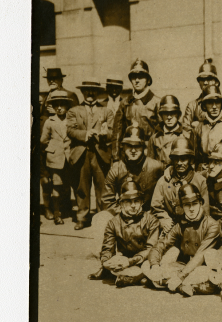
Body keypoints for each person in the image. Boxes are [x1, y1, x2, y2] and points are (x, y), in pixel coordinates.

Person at [144, 184, 222, 297]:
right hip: (184, 267)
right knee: (148, 265)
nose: (191, 209)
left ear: (200, 203)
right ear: (182, 206)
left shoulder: (212, 225)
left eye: (194, 204)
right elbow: (161, 244)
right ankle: (180, 286)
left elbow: (200, 255)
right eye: (186, 205)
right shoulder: (180, 225)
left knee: (206, 271)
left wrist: (180, 276)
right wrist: (155, 266)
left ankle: (165, 283)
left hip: (203, 267)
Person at [91, 180, 160, 286]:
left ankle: (135, 277)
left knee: (149, 266)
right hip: (124, 259)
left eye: (136, 201)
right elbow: (107, 248)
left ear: (142, 202)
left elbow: (150, 248)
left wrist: (131, 261)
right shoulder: (114, 223)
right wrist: (106, 262)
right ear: (121, 203)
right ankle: (120, 273)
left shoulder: (151, 220)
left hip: (142, 259)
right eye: (128, 201)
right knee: (114, 264)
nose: (133, 206)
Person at [67, 78, 114, 230]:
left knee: (102, 188)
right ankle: (82, 217)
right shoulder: (74, 111)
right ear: (82, 92)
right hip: (82, 153)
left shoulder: (106, 111)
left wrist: (104, 134)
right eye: (87, 90)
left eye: (94, 91)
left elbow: (113, 132)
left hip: (100, 153)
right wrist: (86, 134)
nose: (90, 93)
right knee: (82, 187)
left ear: (98, 93)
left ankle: (102, 218)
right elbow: (70, 130)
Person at [150, 137, 210, 238]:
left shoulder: (200, 181)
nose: (179, 163)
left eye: (183, 159)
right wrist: (165, 220)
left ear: (190, 159)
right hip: (169, 229)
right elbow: (156, 207)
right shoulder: (163, 181)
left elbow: (205, 210)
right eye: (176, 159)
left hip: (194, 229)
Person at [102, 126, 165, 213]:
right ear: (123, 147)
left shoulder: (157, 167)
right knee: (99, 218)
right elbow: (107, 201)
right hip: (125, 214)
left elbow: (168, 191)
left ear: (143, 147)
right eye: (129, 146)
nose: (133, 150)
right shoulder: (116, 170)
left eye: (137, 146)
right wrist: (124, 213)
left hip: (149, 215)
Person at [111, 59, 160, 161]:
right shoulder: (125, 103)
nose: (137, 80)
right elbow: (117, 132)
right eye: (134, 77)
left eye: (141, 77)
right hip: (129, 154)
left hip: (150, 154)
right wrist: (116, 157)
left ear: (148, 79)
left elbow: (162, 134)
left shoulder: (157, 102)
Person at [40, 89, 73, 225]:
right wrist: (53, 147)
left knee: (67, 186)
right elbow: (43, 140)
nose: (59, 108)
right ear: (53, 107)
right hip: (55, 159)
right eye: (56, 105)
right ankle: (56, 214)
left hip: (69, 158)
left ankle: (66, 210)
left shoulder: (71, 120)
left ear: (67, 106)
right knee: (56, 186)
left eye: (62, 105)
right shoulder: (50, 122)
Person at [192, 84, 222, 175]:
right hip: (203, 174)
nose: (214, 106)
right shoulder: (198, 128)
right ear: (204, 106)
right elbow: (194, 159)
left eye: (217, 102)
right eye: (210, 102)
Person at [181, 58, 222, 130]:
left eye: (209, 79)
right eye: (202, 80)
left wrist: (198, 125)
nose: (205, 83)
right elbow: (185, 128)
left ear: (216, 82)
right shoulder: (192, 105)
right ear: (198, 82)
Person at [148, 95, 198, 165]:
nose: (169, 117)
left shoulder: (187, 135)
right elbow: (150, 164)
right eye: (165, 113)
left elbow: (193, 162)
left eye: (173, 113)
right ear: (161, 115)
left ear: (178, 115)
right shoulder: (154, 138)